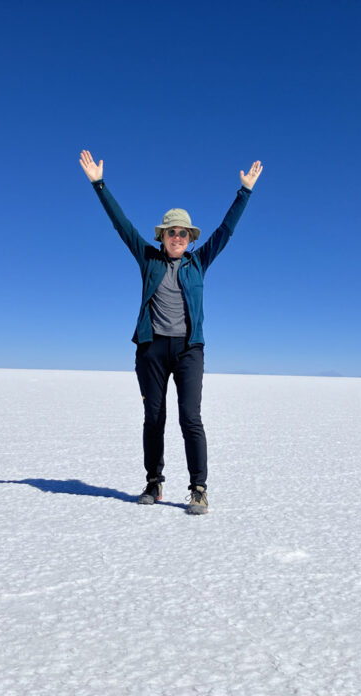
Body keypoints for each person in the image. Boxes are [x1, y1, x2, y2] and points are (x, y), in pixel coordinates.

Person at [79, 149, 263, 514]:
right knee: (154, 417)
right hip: (152, 348)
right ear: (162, 236)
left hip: (189, 349)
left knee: (190, 418)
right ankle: (154, 483)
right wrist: (99, 184)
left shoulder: (199, 261)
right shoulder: (148, 259)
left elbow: (225, 231)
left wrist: (244, 192)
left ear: (190, 238)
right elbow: (121, 225)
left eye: (182, 233)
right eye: (171, 232)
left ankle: (198, 488)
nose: (177, 237)